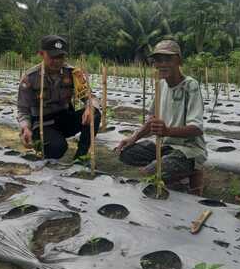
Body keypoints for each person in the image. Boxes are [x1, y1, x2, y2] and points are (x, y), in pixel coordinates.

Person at [115, 40, 207, 184]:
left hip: (188, 149)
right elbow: (152, 120)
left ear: (178, 61)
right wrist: (133, 138)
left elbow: (196, 129)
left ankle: (193, 170)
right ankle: (167, 167)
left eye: (168, 59)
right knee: (126, 153)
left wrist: (167, 131)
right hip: (165, 146)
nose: (162, 64)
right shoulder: (161, 84)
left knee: (153, 172)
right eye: (158, 60)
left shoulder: (190, 86)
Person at [17, 35, 100, 159]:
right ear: (41, 54)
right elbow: (23, 109)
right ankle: (43, 145)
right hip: (42, 124)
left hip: (64, 118)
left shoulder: (74, 74)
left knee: (95, 113)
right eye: (52, 57)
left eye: (60, 57)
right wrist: (25, 128)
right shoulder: (30, 78)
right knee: (58, 148)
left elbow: (90, 97)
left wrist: (90, 106)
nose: (57, 61)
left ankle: (81, 157)